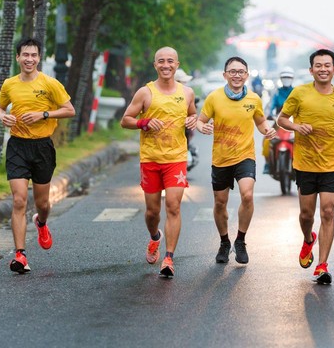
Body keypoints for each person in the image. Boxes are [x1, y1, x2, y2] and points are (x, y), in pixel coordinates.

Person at [0, 37, 75, 274]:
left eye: (34, 55)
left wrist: (44, 114)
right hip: (17, 146)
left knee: (42, 203)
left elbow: (70, 110)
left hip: (42, 147)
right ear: (18, 57)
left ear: (39, 58)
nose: (29, 59)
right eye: (25, 55)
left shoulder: (50, 83)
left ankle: (41, 223)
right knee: (19, 200)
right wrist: (2, 117)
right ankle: (20, 255)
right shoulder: (9, 84)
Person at [277, 49, 334, 284]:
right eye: (318, 65)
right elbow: (281, 119)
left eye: (327, 65)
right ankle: (308, 238)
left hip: (332, 163)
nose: (323, 69)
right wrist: (296, 127)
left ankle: (322, 265)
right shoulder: (299, 93)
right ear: (311, 70)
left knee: (328, 212)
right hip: (306, 162)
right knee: (306, 214)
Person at [121, 47, 197, 278]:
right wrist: (143, 122)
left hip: (176, 158)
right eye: (161, 61)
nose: (166, 65)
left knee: (173, 206)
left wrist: (193, 121)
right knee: (153, 211)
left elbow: (192, 114)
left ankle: (169, 258)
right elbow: (125, 120)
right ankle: (155, 237)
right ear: (155, 65)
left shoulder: (187, 93)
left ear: (177, 64)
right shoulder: (145, 92)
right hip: (151, 159)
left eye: (170, 61)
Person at [196, 57, 276, 265]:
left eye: (241, 71)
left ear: (247, 75)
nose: (237, 75)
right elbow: (200, 120)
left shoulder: (253, 99)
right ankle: (224, 242)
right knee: (220, 202)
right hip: (221, 158)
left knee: (247, 196)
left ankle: (240, 241)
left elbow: (260, 122)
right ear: (225, 75)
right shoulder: (214, 98)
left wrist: (267, 130)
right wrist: (200, 127)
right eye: (232, 71)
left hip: (245, 155)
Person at [262, 66, 295, 174]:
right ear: (281, 78)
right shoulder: (276, 93)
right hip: (278, 122)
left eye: (288, 77)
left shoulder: (297, 92)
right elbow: (269, 107)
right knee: (267, 139)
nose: (286, 79)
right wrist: (268, 115)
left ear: (292, 78)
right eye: (284, 77)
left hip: (294, 123)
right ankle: (267, 163)